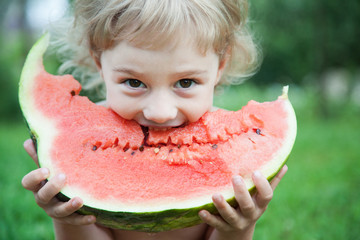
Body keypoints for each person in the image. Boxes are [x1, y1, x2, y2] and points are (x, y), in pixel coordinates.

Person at [21, 0, 288, 239]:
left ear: (220, 65)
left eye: (185, 82)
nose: (160, 112)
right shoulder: (81, 139)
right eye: (134, 82)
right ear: (99, 61)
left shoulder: (232, 155)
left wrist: (238, 227)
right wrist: (70, 216)